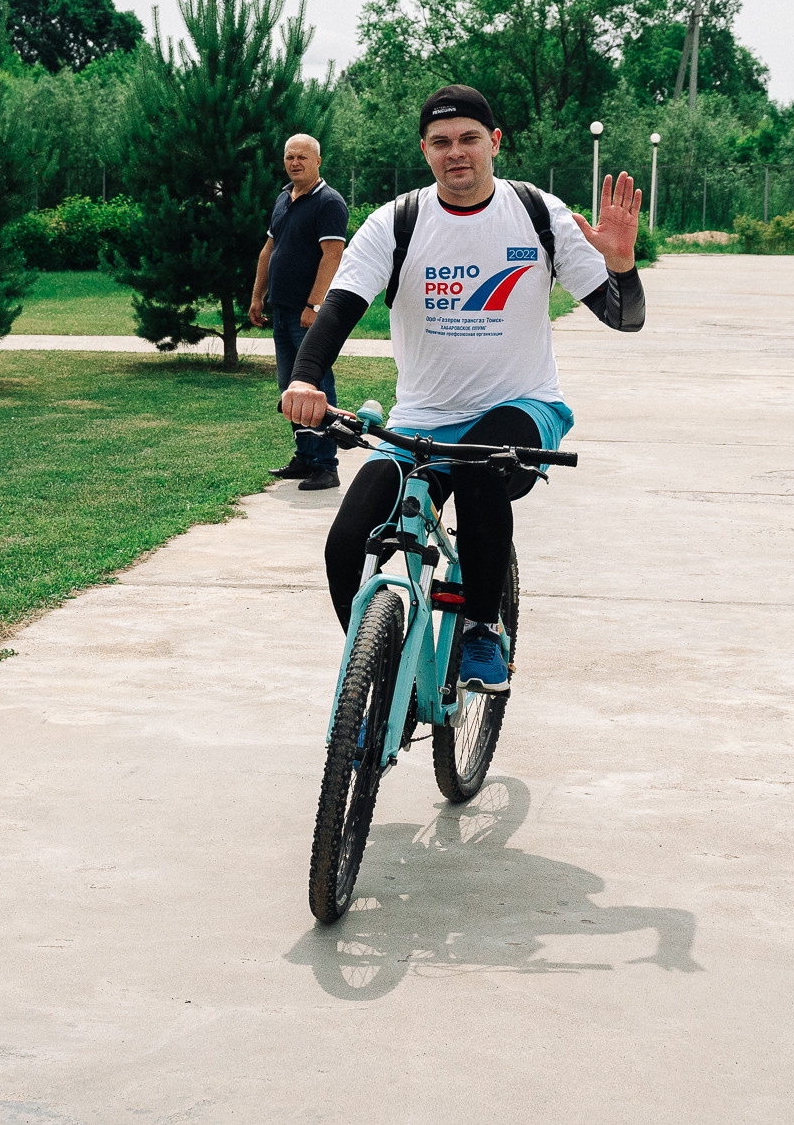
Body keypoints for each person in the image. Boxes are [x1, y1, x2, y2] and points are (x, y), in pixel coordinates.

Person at [279, 84, 646, 695]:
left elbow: (623, 317)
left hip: (521, 408)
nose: (457, 152)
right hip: (421, 419)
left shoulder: (538, 214)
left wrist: (623, 265)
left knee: (478, 470)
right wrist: (304, 377)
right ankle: (373, 676)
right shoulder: (397, 221)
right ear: (425, 150)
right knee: (346, 544)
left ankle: (481, 627)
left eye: (469, 138)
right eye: (442, 142)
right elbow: (341, 306)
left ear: (494, 143)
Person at [249, 133, 349, 491]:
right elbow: (268, 249)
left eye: (302, 157)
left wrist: (315, 305)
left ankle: (326, 465)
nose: (295, 162)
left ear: (317, 161)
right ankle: (305, 457)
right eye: (290, 157)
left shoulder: (329, 202)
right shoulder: (283, 198)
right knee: (290, 388)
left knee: (316, 387)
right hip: (281, 308)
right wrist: (258, 296)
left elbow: (332, 256)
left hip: (307, 314)